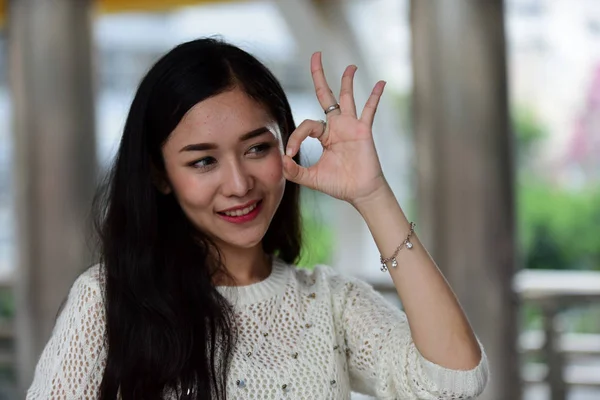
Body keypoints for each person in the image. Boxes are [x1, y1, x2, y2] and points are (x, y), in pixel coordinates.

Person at [26, 38, 488, 400]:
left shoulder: (330, 303)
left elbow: (454, 382)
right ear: (159, 175)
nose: (239, 184)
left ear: (286, 144)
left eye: (257, 148)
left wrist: (372, 194)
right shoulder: (104, 303)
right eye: (203, 161)